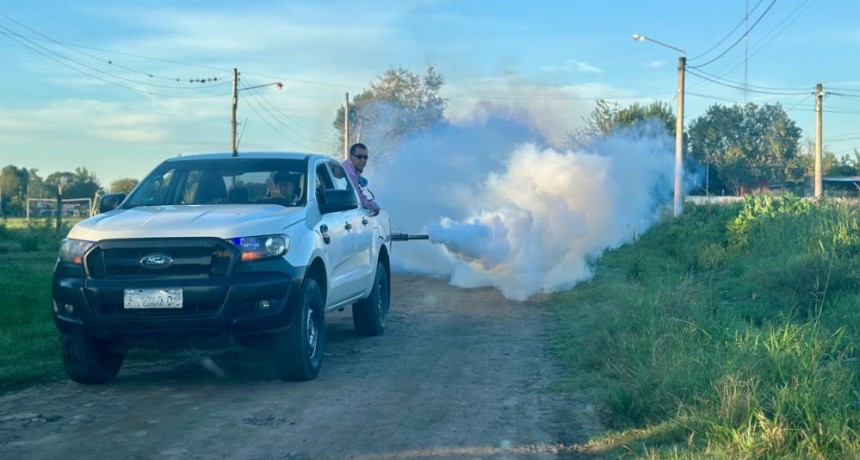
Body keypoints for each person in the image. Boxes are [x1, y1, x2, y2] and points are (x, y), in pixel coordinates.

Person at [341, 143, 380, 215]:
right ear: (350, 156)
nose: (363, 160)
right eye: (359, 156)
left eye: (365, 157)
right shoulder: (349, 174)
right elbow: (359, 200)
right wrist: (374, 207)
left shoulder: (352, 169)